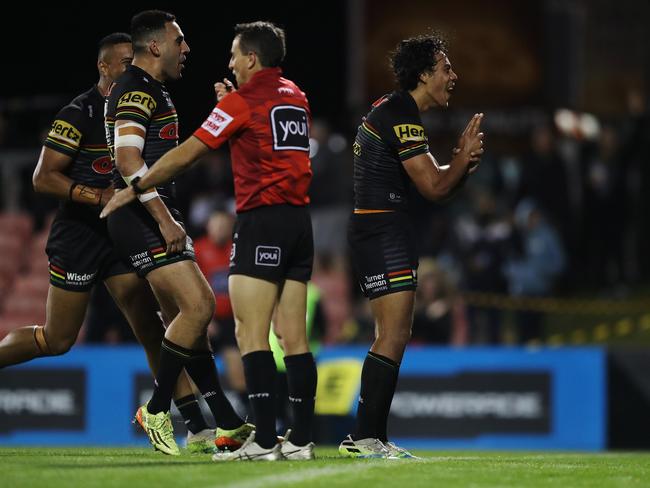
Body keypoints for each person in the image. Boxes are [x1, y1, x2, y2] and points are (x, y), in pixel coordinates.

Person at [102, 21, 317, 462]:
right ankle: (298, 441)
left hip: (262, 223)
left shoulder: (242, 100)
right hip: (300, 223)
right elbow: (261, 140)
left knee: (249, 332)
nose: (230, 63)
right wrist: (232, 111)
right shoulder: (296, 95)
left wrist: (135, 187)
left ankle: (257, 440)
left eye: (236, 55)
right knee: (294, 338)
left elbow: (188, 152)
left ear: (252, 58)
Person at [0, 33, 214, 453]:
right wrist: (99, 196)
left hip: (121, 232)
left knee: (152, 327)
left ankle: (195, 426)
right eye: (123, 63)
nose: (131, 70)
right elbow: (43, 178)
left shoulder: (142, 104)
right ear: (104, 67)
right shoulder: (79, 112)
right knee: (57, 340)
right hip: (79, 237)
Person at [103, 11, 249, 456]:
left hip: (149, 211)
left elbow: (170, 156)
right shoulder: (134, 88)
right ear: (154, 46)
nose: (186, 49)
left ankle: (224, 422)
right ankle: (157, 407)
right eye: (179, 41)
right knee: (200, 304)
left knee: (191, 326)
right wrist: (164, 218)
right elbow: (128, 161)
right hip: (143, 216)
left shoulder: (152, 89)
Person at [338, 33, 484, 459]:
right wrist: (463, 158)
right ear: (423, 74)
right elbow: (435, 186)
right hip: (383, 230)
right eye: (445, 68)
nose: (452, 76)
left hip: (377, 228)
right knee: (394, 334)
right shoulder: (401, 111)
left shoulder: (393, 109)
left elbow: (438, 182)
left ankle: (370, 437)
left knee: (392, 334)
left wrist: (463, 164)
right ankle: (365, 437)